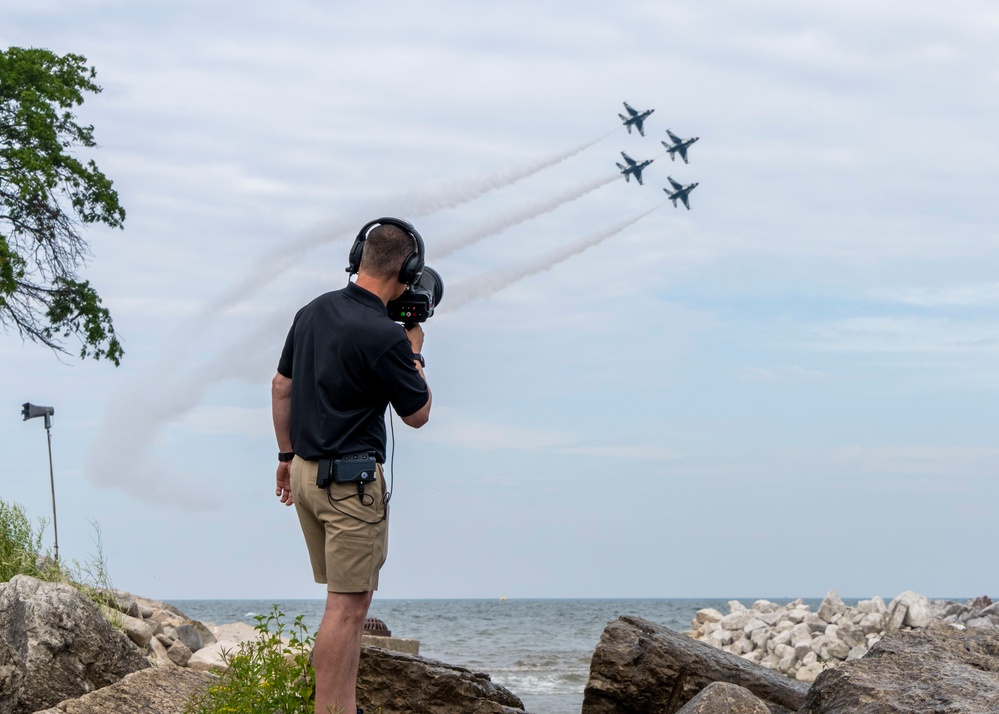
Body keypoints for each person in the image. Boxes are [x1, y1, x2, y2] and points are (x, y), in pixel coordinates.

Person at [271, 218, 432, 714]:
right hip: (350, 484)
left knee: (339, 604)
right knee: (347, 608)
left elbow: (282, 387)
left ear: (358, 256)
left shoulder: (311, 312)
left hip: (304, 470)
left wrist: (284, 456)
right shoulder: (386, 337)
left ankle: (339, 704)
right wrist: (415, 354)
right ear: (407, 270)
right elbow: (418, 414)